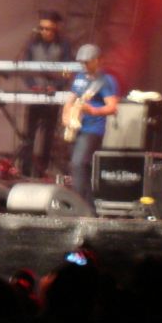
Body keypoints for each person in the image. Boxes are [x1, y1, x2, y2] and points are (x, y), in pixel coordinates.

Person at [16, 10, 74, 178]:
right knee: (29, 134)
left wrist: (56, 86)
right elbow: (24, 68)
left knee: (48, 135)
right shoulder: (32, 44)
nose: (44, 32)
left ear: (55, 29)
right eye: (42, 28)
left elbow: (68, 70)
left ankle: (43, 170)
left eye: (48, 29)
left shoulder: (64, 45)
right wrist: (32, 86)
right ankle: (25, 170)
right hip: (35, 94)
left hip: (53, 95)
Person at [62, 44, 120, 210]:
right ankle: (88, 209)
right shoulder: (80, 77)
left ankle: (79, 206)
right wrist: (65, 116)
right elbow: (70, 100)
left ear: (97, 60)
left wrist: (93, 110)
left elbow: (112, 107)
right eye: (82, 62)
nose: (84, 65)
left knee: (78, 164)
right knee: (80, 168)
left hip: (93, 129)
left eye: (87, 62)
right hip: (77, 127)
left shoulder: (106, 81)